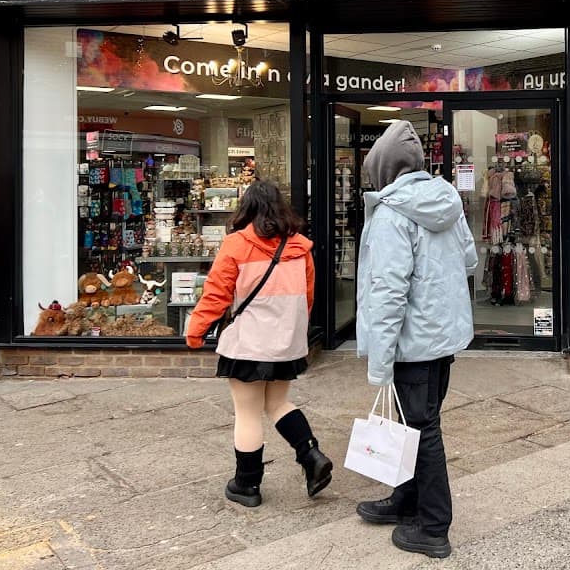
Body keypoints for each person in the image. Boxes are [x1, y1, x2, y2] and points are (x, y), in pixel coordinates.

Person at [354, 121, 477, 560]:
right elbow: (468, 258)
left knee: (423, 429)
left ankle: (433, 527)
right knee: (414, 424)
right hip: (442, 337)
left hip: (412, 342)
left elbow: (388, 291)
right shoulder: (447, 201)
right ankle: (405, 500)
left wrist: (379, 361)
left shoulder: (392, 214)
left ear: (384, 170)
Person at [186, 180, 331, 506]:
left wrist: (196, 330)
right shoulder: (300, 248)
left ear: (247, 208)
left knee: (248, 413)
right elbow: (307, 298)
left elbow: (216, 293)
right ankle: (311, 456)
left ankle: (246, 485)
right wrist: (295, 333)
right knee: (278, 404)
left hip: (249, 343)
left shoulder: (236, 245)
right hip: (286, 343)